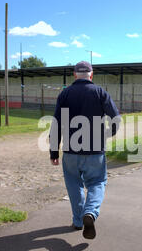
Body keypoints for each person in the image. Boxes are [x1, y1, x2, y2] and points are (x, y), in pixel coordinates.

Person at [50, 61, 120, 240]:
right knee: (97, 182)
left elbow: (56, 124)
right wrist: (106, 134)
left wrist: (53, 152)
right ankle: (90, 212)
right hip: (95, 150)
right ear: (91, 74)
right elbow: (116, 119)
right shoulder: (100, 92)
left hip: (71, 151)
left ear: (74, 75)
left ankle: (79, 221)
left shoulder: (64, 94)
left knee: (74, 184)